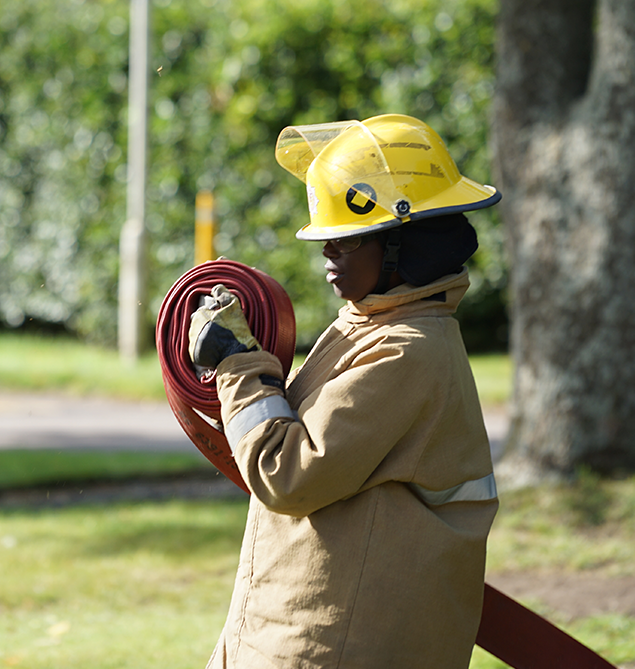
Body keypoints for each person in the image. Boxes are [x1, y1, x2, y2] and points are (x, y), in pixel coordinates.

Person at [187, 114, 502, 668]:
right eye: (327, 238)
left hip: (336, 646)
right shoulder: (373, 326)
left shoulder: (405, 350)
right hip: (313, 630)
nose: (329, 252)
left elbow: (288, 474)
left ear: (405, 243)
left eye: (348, 239)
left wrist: (236, 364)